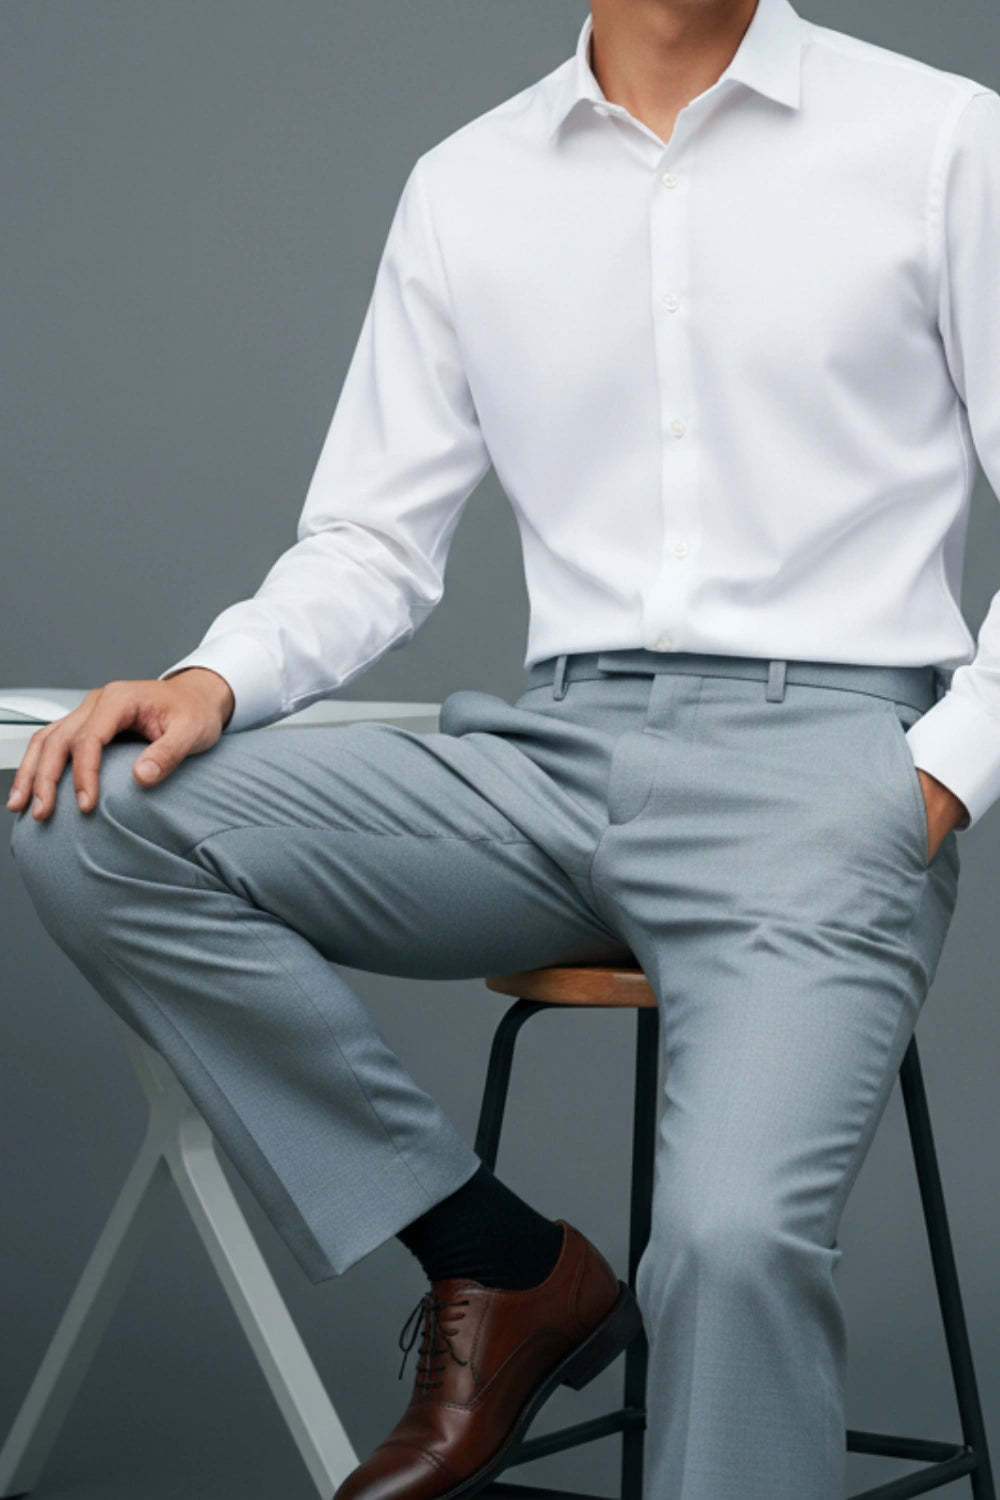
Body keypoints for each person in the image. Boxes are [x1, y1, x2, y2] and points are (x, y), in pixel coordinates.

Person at [8, 0, 999, 1495]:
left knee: (726, 1249)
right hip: (555, 760)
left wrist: (930, 781)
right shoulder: (469, 182)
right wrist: (217, 673)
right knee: (89, 821)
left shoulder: (942, 139)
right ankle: (496, 1260)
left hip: (831, 764)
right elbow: (370, 543)